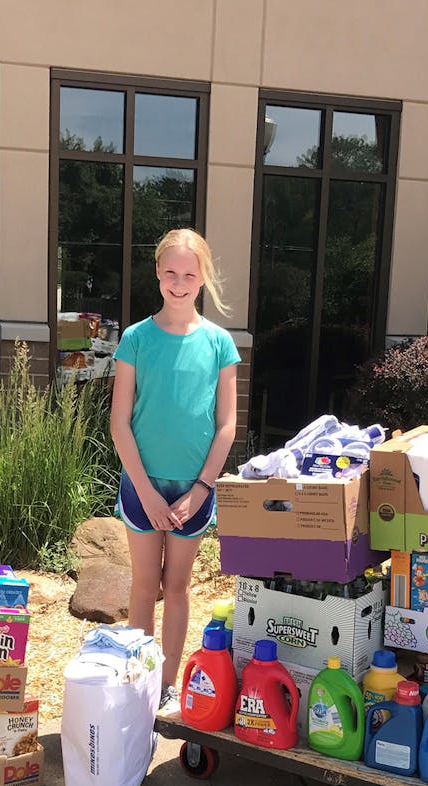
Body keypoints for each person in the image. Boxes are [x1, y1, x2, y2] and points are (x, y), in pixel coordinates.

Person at [111, 228, 240, 711]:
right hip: (142, 486)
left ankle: (166, 685)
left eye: (189, 273)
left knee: (177, 586)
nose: (179, 282)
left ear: (203, 277)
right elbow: (119, 422)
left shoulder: (219, 343)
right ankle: (137, 681)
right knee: (144, 586)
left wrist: (201, 490)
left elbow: (226, 426)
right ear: (157, 274)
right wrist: (145, 491)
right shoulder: (135, 339)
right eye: (171, 272)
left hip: (194, 489)